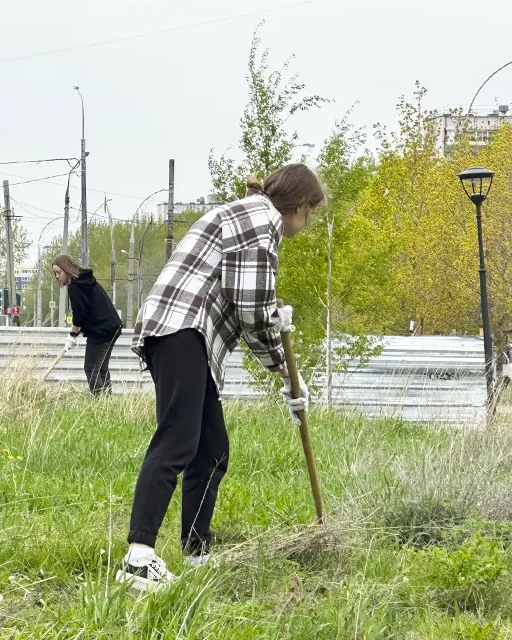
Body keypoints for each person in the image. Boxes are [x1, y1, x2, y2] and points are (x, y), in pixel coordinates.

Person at [118, 165, 323, 591]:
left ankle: (196, 554)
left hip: (186, 335)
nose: (308, 222)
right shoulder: (262, 219)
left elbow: (246, 298)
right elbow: (250, 303)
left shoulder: (250, 213)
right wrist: (279, 357)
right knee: (177, 441)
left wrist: (281, 368)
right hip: (181, 330)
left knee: (211, 450)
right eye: (311, 213)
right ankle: (138, 559)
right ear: (301, 205)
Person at [52, 254, 122, 397]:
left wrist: (72, 335)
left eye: (59, 272)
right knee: (101, 369)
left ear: (67, 270)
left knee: (91, 368)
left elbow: (80, 315)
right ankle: (106, 405)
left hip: (101, 330)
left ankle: (100, 404)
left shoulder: (76, 287)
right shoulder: (84, 281)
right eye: (55, 273)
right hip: (112, 326)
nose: (57, 276)